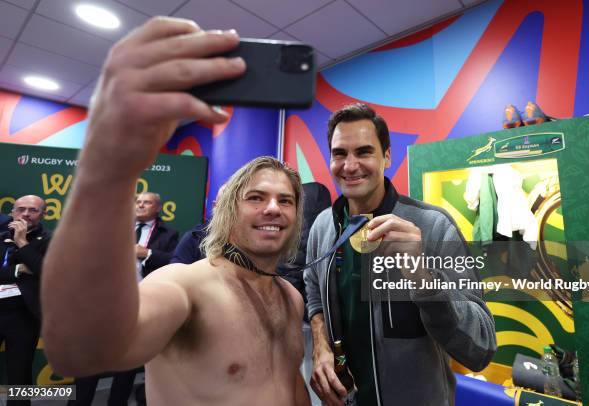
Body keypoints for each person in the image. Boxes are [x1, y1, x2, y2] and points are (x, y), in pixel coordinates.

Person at [41, 17, 309, 406]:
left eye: (286, 200)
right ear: (227, 211)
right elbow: (81, 350)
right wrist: (106, 169)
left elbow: (289, 387)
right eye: (256, 198)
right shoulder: (188, 286)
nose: (273, 208)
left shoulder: (290, 297)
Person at [304, 103, 497, 406]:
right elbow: (313, 283)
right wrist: (320, 343)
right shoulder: (323, 226)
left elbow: (481, 348)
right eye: (339, 153)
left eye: (364, 152)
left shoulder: (433, 227)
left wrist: (423, 279)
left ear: (387, 157)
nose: (350, 165)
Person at [70, 192, 179, 405]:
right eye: (137, 202)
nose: (140, 205)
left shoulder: (169, 234)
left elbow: (174, 262)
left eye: (146, 202)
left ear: (158, 208)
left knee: (128, 363)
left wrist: (146, 254)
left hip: (141, 305)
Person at [0, 195, 51, 406]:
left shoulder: (51, 239)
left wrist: (22, 242)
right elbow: (29, 268)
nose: (26, 214)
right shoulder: (1, 235)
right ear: (12, 212)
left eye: (33, 210)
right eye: (21, 209)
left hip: (23, 316)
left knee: (18, 375)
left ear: (44, 214)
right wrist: (20, 269)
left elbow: (45, 271)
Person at [170, 185, 225, 265]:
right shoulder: (195, 238)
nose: (232, 209)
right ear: (215, 206)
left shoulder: (248, 239)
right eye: (226, 203)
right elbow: (175, 273)